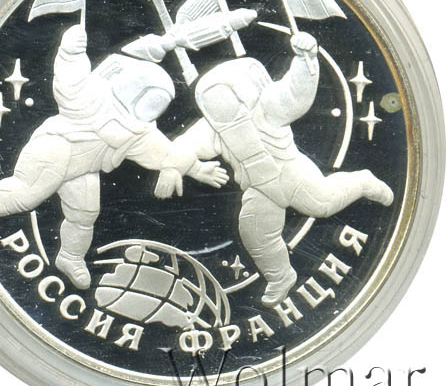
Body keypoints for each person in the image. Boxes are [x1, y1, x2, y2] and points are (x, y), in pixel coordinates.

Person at [0, 25, 229, 289]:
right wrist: (71, 51)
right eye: (150, 98)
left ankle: (70, 257)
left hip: (83, 171)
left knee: (84, 215)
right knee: (28, 194)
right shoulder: (91, 97)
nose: (150, 108)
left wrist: (196, 169)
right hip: (53, 149)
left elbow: (165, 154)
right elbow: (68, 80)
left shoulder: (137, 132)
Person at [156, 32, 394, 307]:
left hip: (291, 173)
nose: (222, 105)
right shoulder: (215, 129)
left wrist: (305, 60)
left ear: (241, 90)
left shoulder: (268, 107)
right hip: (258, 188)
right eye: (215, 100)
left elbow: (295, 94)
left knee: (323, 203)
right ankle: (280, 276)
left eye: (225, 96)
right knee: (255, 233)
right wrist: (172, 168)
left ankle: (363, 182)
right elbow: (186, 144)